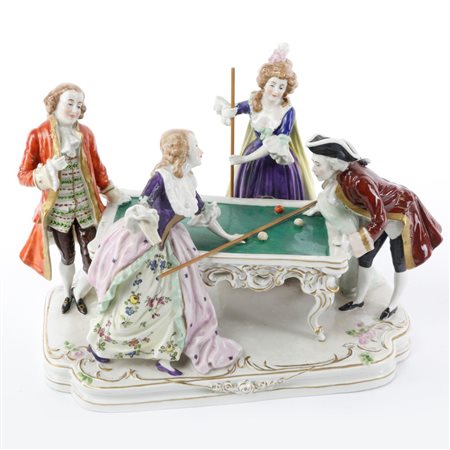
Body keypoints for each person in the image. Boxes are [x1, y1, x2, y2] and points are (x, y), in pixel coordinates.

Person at [86, 129, 243, 376]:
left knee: (173, 304)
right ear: (183, 151)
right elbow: (141, 210)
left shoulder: (187, 179)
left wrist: (228, 237)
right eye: (196, 145)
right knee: (136, 302)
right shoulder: (160, 178)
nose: (201, 150)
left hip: (172, 245)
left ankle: (165, 355)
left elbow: (203, 211)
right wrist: (152, 237)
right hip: (146, 245)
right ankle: (102, 345)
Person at [18, 83, 129, 315]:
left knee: (93, 256)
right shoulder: (39, 134)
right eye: (70, 103)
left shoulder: (85, 133)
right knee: (67, 257)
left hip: (86, 208)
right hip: (59, 211)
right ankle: (68, 292)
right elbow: (23, 175)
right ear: (55, 103)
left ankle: (80, 293)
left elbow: (97, 168)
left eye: (79, 105)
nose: (75, 109)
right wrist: (48, 170)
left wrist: (110, 191)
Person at [305, 135, 443, 320]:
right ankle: (358, 300)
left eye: (317, 164)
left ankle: (393, 305)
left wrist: (354, 243)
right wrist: (320, 208)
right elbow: (333, 196)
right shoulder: (343, 173)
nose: (313, 169)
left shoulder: (360, 182)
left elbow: (380, 218)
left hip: (401, 215)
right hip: (381, 217)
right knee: (365, 259)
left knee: (399, 264)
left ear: (333, 163)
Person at [214, 43, 315, 200]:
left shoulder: (287, 111)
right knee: (251, 192)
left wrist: (244, 159)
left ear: (286, 89)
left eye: (281, 87)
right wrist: (229, 112)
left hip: (278, 160)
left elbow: (276, 145)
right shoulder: (254, 102)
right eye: (272, 85)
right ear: (264, 84)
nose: (275, 91)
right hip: (255, 162)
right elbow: (234, 109)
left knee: (280, 194)